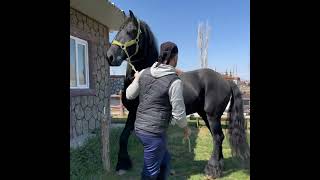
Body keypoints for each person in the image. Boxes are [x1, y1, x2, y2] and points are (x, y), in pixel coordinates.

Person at [126, 41, 191, 180]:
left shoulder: (144, 72)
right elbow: (179, 114)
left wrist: (137, 79)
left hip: (141, 128)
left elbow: (129, 94)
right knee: (149, 174)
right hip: (153, 133)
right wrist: (186, 129)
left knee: (165, 160)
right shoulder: (175, 81)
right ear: (174, 58)